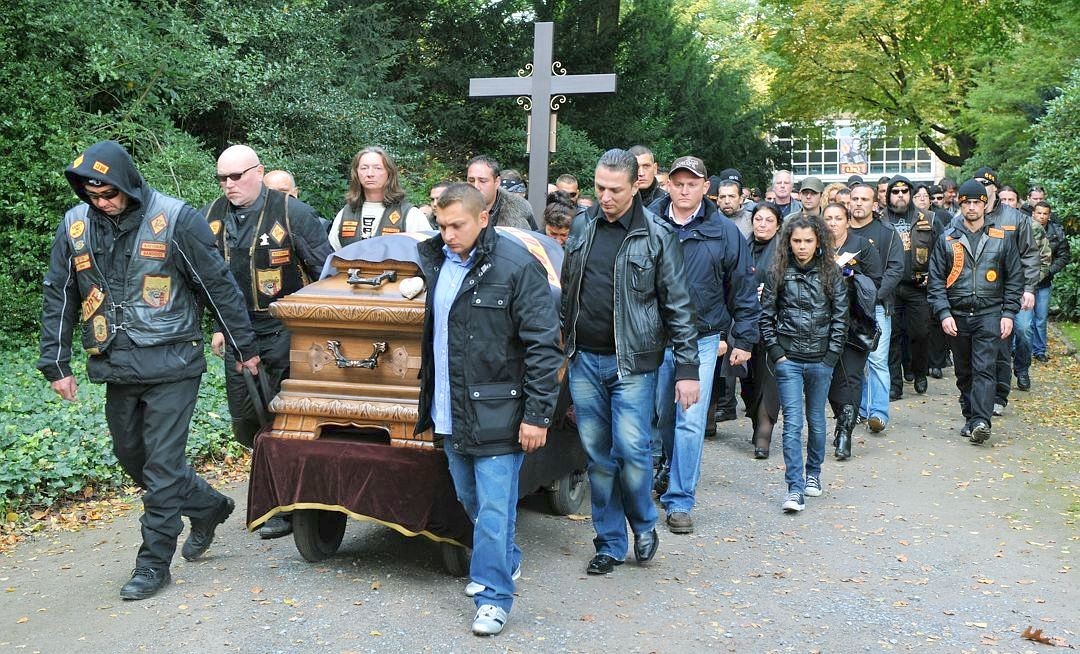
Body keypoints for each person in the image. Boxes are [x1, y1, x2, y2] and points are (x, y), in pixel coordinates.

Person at [38, 141, 261, 600]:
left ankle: (153, 563)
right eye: (93, 195)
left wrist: (243, 346)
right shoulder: (75, 225)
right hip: (116, 363)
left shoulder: (176, 219)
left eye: (109, 194)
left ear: (128, 184)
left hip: (173, 362)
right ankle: (207, 506)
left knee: (161, 466)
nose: (101, 203)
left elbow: (216, 285)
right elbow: (60, 292)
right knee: (132, 457)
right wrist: (56, 362)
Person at [415, 183, 562, 636]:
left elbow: (544, 348)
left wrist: (537, 416)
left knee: (495, 510)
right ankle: (506, 560)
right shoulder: (436, 261)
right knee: (472, 501)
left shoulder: (517, 266)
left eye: (457, 225)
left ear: (484, 218)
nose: (448, 234)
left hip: (500, 411)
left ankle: (493, 595)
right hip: (450, 410)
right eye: (441, 225)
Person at [561, 148, 699, 575]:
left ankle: (643, 523)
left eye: (614, 189)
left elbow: (677, 304)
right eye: (599, 187)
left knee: (634, 453)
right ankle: (609, 542)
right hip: (584, 359)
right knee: (598, 459)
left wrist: (688, 370)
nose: (604, 196)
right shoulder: (582, 225)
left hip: (634, 365)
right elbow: (568, 290)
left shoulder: (657, 235)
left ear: (636, 184)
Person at [201, 144, 332, 539]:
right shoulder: (210, 217)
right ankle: (281, 494)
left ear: (258, 172)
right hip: (240, 335)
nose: (228, 185)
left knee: (283, 422)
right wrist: (219, 325)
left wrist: (316, 330)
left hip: (287, 331)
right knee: (246, 421)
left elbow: (326, 272)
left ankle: (290, 506)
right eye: (222, 178)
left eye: (236, 177)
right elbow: (207, 279)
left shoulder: (293, 213)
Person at [649, 156, 759, 535]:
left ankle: (680, 500)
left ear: (704, 188)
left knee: (690, 421)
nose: (684, 189)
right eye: (678, 182)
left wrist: (743, 337)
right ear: (667, 184)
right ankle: (667, 464)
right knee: (664, 416)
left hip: (702, 336)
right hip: (654, 335)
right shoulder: (648, 221)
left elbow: (743, 288)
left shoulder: (724, 231)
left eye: (692, 183)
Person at [760, 213, 848, 513]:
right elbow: (766, 316)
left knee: (818, 422)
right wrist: (777, 354)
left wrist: (830, 357)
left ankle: (814, 474)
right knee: (793, 424)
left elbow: (840, 318)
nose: (802, 247)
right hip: (789, 360)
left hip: (821, 359)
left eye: (808, 241)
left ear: (819, 241)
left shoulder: (831, 274)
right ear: (788, 242)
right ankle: (794, 487)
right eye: (796, 241)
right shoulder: (778, 272)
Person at [928, 179, 1023, 445]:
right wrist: (944, 313)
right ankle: (970, 417)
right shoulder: (947, 239)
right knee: (965, 371)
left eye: (976, 202)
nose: (971, 207)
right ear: (960, 204)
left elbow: (1014, 278)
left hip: (990, 312)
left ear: (985, 205)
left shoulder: (1002, 237)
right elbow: (936, 280)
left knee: (984, 368)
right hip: (957, 314)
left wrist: (1008, 313)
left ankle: (982, 421)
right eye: (966, 202)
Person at [822, 202, 882, 460]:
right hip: (822, 324)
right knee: (830, 379)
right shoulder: (814, 245)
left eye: (838, 218)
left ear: (848, 221)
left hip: (855, 322)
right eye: (828, 218)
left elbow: (876, 280)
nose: (833, 223)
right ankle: (840, 418)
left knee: (852, 376)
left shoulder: (863, 246)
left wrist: (850, 274)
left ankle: (845, 432)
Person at [847, 183, 904, 432]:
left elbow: (896, 269)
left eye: (864, 199)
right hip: (845, 308)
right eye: (855, 198)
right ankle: (857, 409)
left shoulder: (887, 233)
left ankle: (878, 413)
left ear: (875, 203)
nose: (859, 203)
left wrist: (873, 297)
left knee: (878, 359)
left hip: (878, 306)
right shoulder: (840, 230)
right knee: (853, 360)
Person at [882, 175, 937, 399]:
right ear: (888, 196)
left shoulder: (929, 218)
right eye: (895, 192)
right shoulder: (879, 220)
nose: (900, 195)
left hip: (918, 286)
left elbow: (942, 252)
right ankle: (895, 383)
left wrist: (933, 276)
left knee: (921, 333)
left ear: (911, 194)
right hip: (890, 288)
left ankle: (919, 371)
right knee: (892, 336)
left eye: (905, 191)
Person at [740, 202, 784, 459]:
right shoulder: (742, 247)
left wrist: (771, 291)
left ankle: (764, 436)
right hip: (745, 322)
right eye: (758, 219)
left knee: (769, 379)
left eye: (769, 220)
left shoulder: (783, 250)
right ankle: (756, 422)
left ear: (778, 224)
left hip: (774, 322)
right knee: (748, 379)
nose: (762, 224)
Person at [328, 146, 429, 250]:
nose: (370, 174)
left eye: (377, 168)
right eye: (364, 168)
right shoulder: (346, 213)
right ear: (356, 173)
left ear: (389, 173)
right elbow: (332, 256)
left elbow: (429, 255)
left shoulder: (410, 215)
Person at [1031, 201, 1068, 361]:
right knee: (1022, 320)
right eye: (1039, 213)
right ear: (1033, 213)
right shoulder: (1025, 228)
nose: (1042, 216)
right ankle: (1016, 348)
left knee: (1040, 317)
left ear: (1049, 215)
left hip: (1044, 282)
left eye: (1045, 213)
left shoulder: (1056, 231)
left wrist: (1048, 271)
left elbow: (1064, 255)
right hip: (1025, 281)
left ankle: (1039, 350)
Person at [466, 156, 538, 230]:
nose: (476, 186)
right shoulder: (457, 206)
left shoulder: (519, 210)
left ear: (497, 182)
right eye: (471, 181)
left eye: (483, 181)